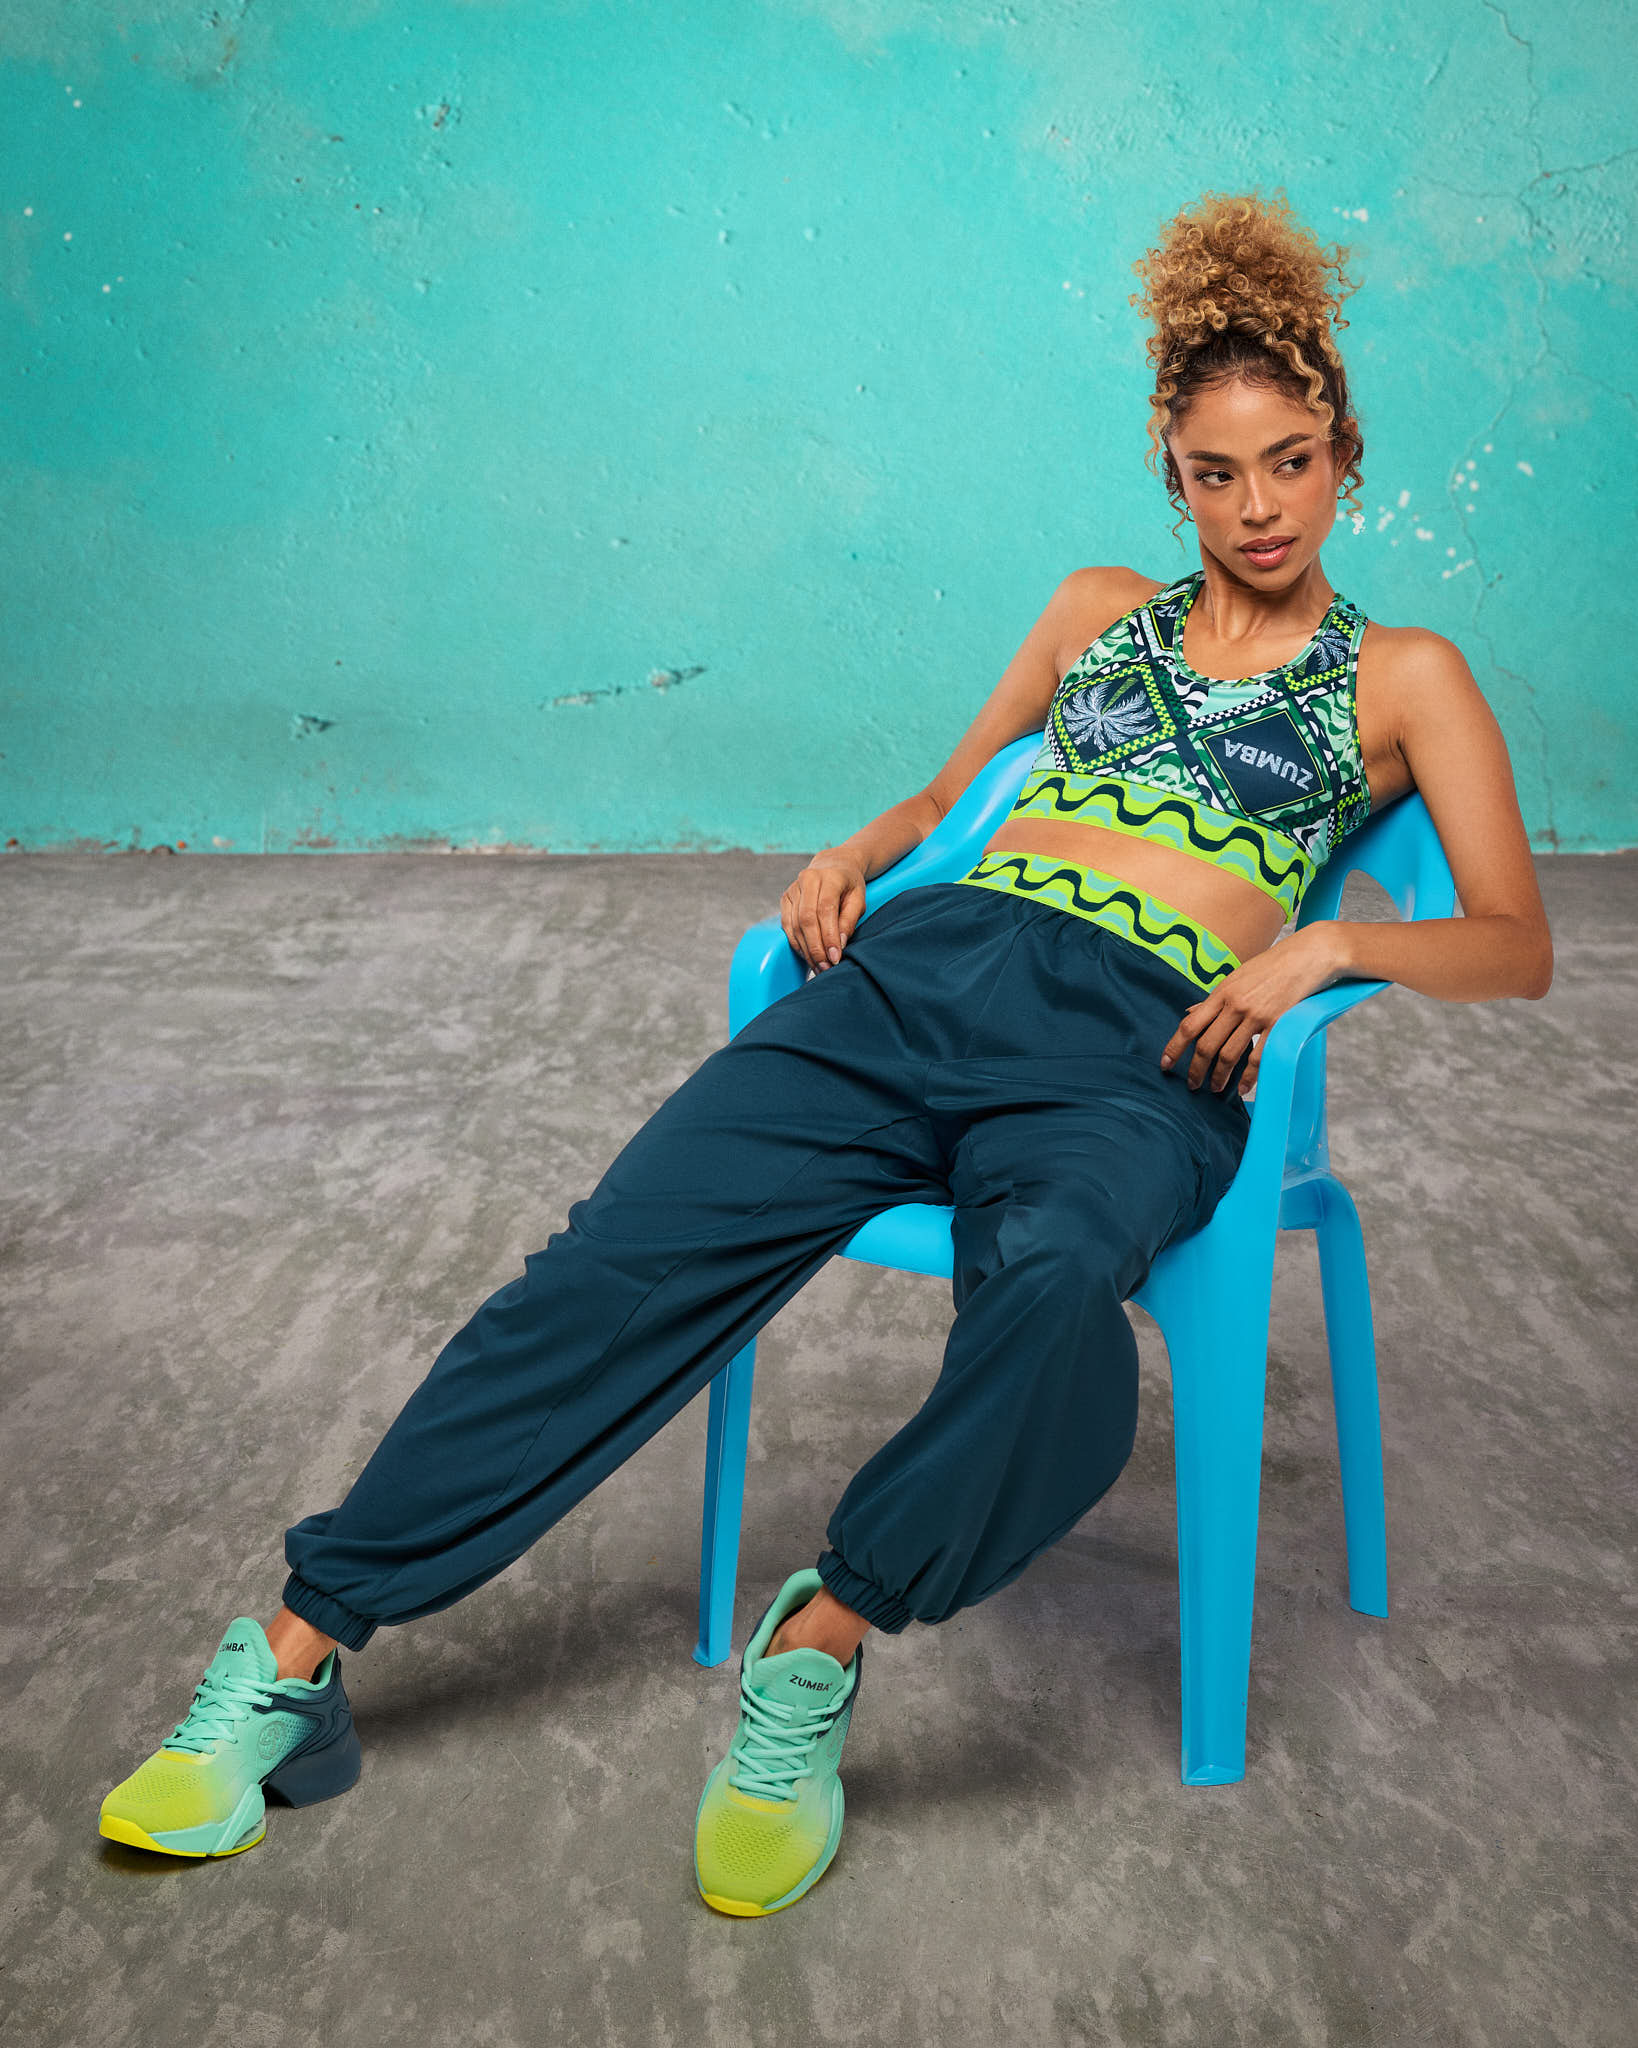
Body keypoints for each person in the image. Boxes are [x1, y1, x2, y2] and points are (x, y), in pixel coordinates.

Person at [98, 186, 1553, 1916]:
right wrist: (859, 852)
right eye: (1217, 473)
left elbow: (1513, 947)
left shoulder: (1403, 675)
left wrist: (1323, 939)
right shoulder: (1095, 611)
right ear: (1170, 472)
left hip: (1135, 1046)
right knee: (602, 1272)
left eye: (1292, 462)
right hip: (921, 975)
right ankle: (293, 1656)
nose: (1257, 507)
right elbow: (953, 798)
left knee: (1055, 1299)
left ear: (1344, 453)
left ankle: (822, 1639)